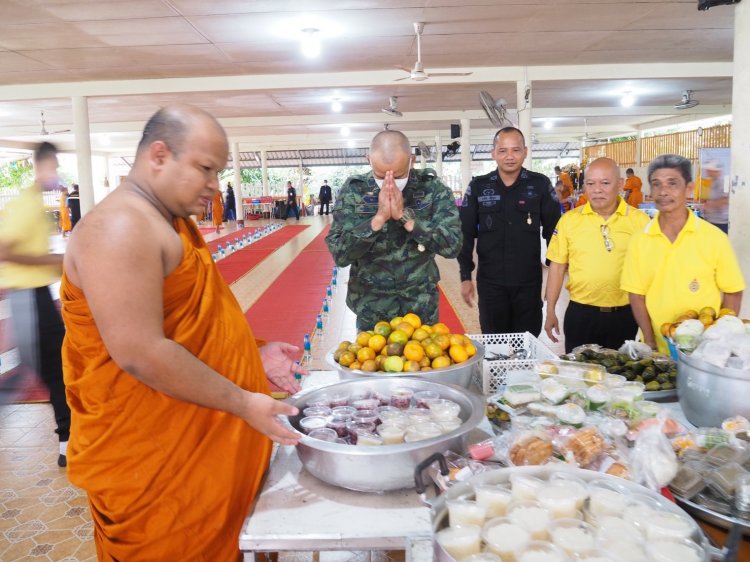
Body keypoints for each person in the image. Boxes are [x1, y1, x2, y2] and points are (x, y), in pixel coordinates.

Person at [60, 105, 303, 559]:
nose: (215, 185)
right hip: (156, 462)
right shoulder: (121, 227)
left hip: (203, 446)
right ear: (158, 155)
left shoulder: (168, 221)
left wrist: (255, 354)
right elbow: (141, 353)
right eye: (205, 169)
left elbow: (190, 325)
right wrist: (242, 400)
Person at [326, 129, 461, 330]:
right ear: (368, 160)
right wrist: (378, 220)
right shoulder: (354, 191)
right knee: (372, 360)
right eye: (381, 175)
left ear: (412, 160)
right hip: (371, 306)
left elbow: (453, 246)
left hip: (419, 306)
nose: (389, 183)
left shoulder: (432, 189)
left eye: (398, 175)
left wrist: (405, 219)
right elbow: (340, 254)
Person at [621, 154, 745, 354]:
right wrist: (651, 342)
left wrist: (719, 341)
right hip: (658, 351)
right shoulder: (640, 239)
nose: (664, 191)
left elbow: (733, 291)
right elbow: (636, 295)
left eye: (672, 184)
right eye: (657, 184)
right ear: (650, 190)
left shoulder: (713, 237)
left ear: (688, 188)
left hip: (703, 353)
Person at [0, 141, 71, 468]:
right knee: (44, 369)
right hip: (27, 296)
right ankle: (66, 443)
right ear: (41, 166)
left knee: (53, 367)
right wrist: (53, 258)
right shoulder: (24, 206)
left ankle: (67, 442)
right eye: (52, 167)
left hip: (38, 294)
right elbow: (4, 249)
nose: (55, 175)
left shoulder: (33, 205)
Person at [459, 127, 561, 335]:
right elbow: (465, 234)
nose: (510, 157)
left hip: (529, 284)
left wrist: (555, 276)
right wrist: (465, 276)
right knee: (495, 343)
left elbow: (555, 233)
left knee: (527, 343)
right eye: (503, 150)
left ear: (525, 151)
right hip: (491, 284)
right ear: (493, 153)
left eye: (515, 150)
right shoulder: (479, 186)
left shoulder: (540, 184)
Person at [544, 158, 650, 353]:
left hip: (624, 315)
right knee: (579, 377)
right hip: (580, 313)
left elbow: (651, 270)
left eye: (605, 183)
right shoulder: (569, 221)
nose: (597, 190)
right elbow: (557, 267)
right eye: (591, 184)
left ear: (619, 184)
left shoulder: (640, 221)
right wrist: (550, 310)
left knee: (621, 377)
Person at [700, 160, 729, 233]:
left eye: (709, 170)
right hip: (711, 220)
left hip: (721, 222)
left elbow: (725, 200)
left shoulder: (723, 182)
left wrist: (708, 205)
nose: (707, 172)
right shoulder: (712, 182)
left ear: (715, 171)